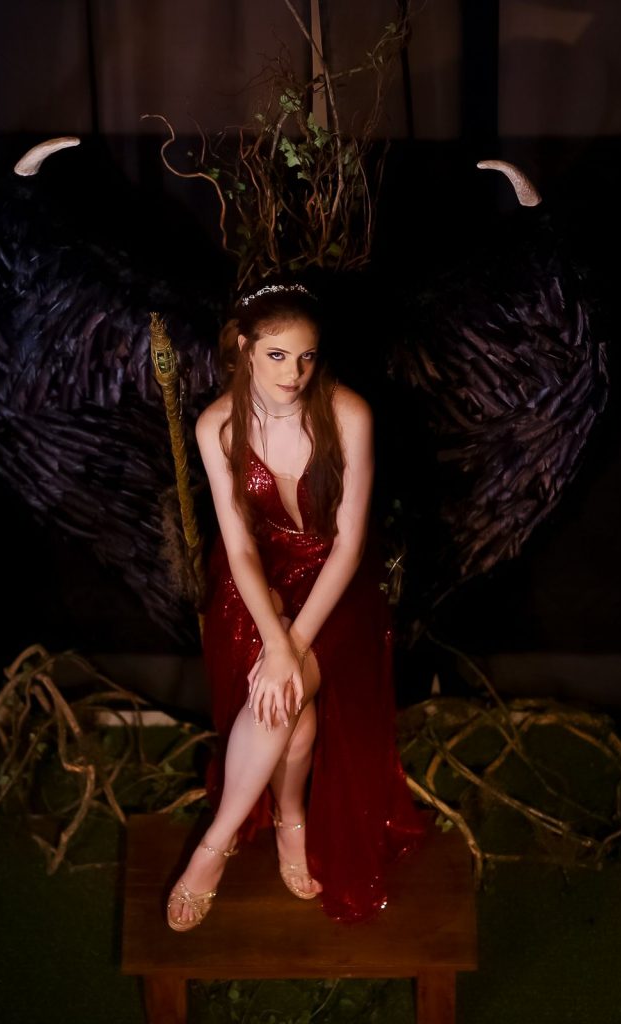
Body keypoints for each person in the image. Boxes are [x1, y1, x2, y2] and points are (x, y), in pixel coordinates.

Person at [167, 282, 424, 931]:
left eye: (306, 357)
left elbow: (349, 546)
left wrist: (293, 645)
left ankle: (213, 847)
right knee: (295, 722)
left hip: (336, 583)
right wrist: (273, 637)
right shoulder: (216, 426)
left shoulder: (348, 414)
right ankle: (289, 818)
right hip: (257, 581)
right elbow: (239, 548)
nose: (294, 373)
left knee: (280, 699)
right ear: (245, 349)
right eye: (278, 355)